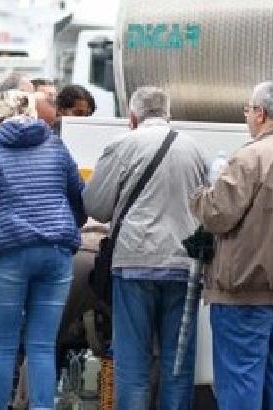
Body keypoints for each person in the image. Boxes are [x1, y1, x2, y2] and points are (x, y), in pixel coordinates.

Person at [82, 86, 208, 410]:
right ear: (169, 114)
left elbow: (95, 205)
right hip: (184, 265)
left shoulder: (123, 145)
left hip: (135, 261)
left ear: (133, 117)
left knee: (133, 362)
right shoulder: (195, 149)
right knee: (177, 363)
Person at [190, 81, 273, 410]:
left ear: (260, 113)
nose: (248, 117)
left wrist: (202, 194)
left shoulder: (252, 156)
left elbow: (217, 216)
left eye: (248, 110)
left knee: (240, 377)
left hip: (244, 289)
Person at [0, 89, 86, 410]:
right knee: (42, 347)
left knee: (3, 346)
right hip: (55, 252)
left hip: (7, 252)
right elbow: (81, 199)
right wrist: (61, 225)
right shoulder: (55, 144)